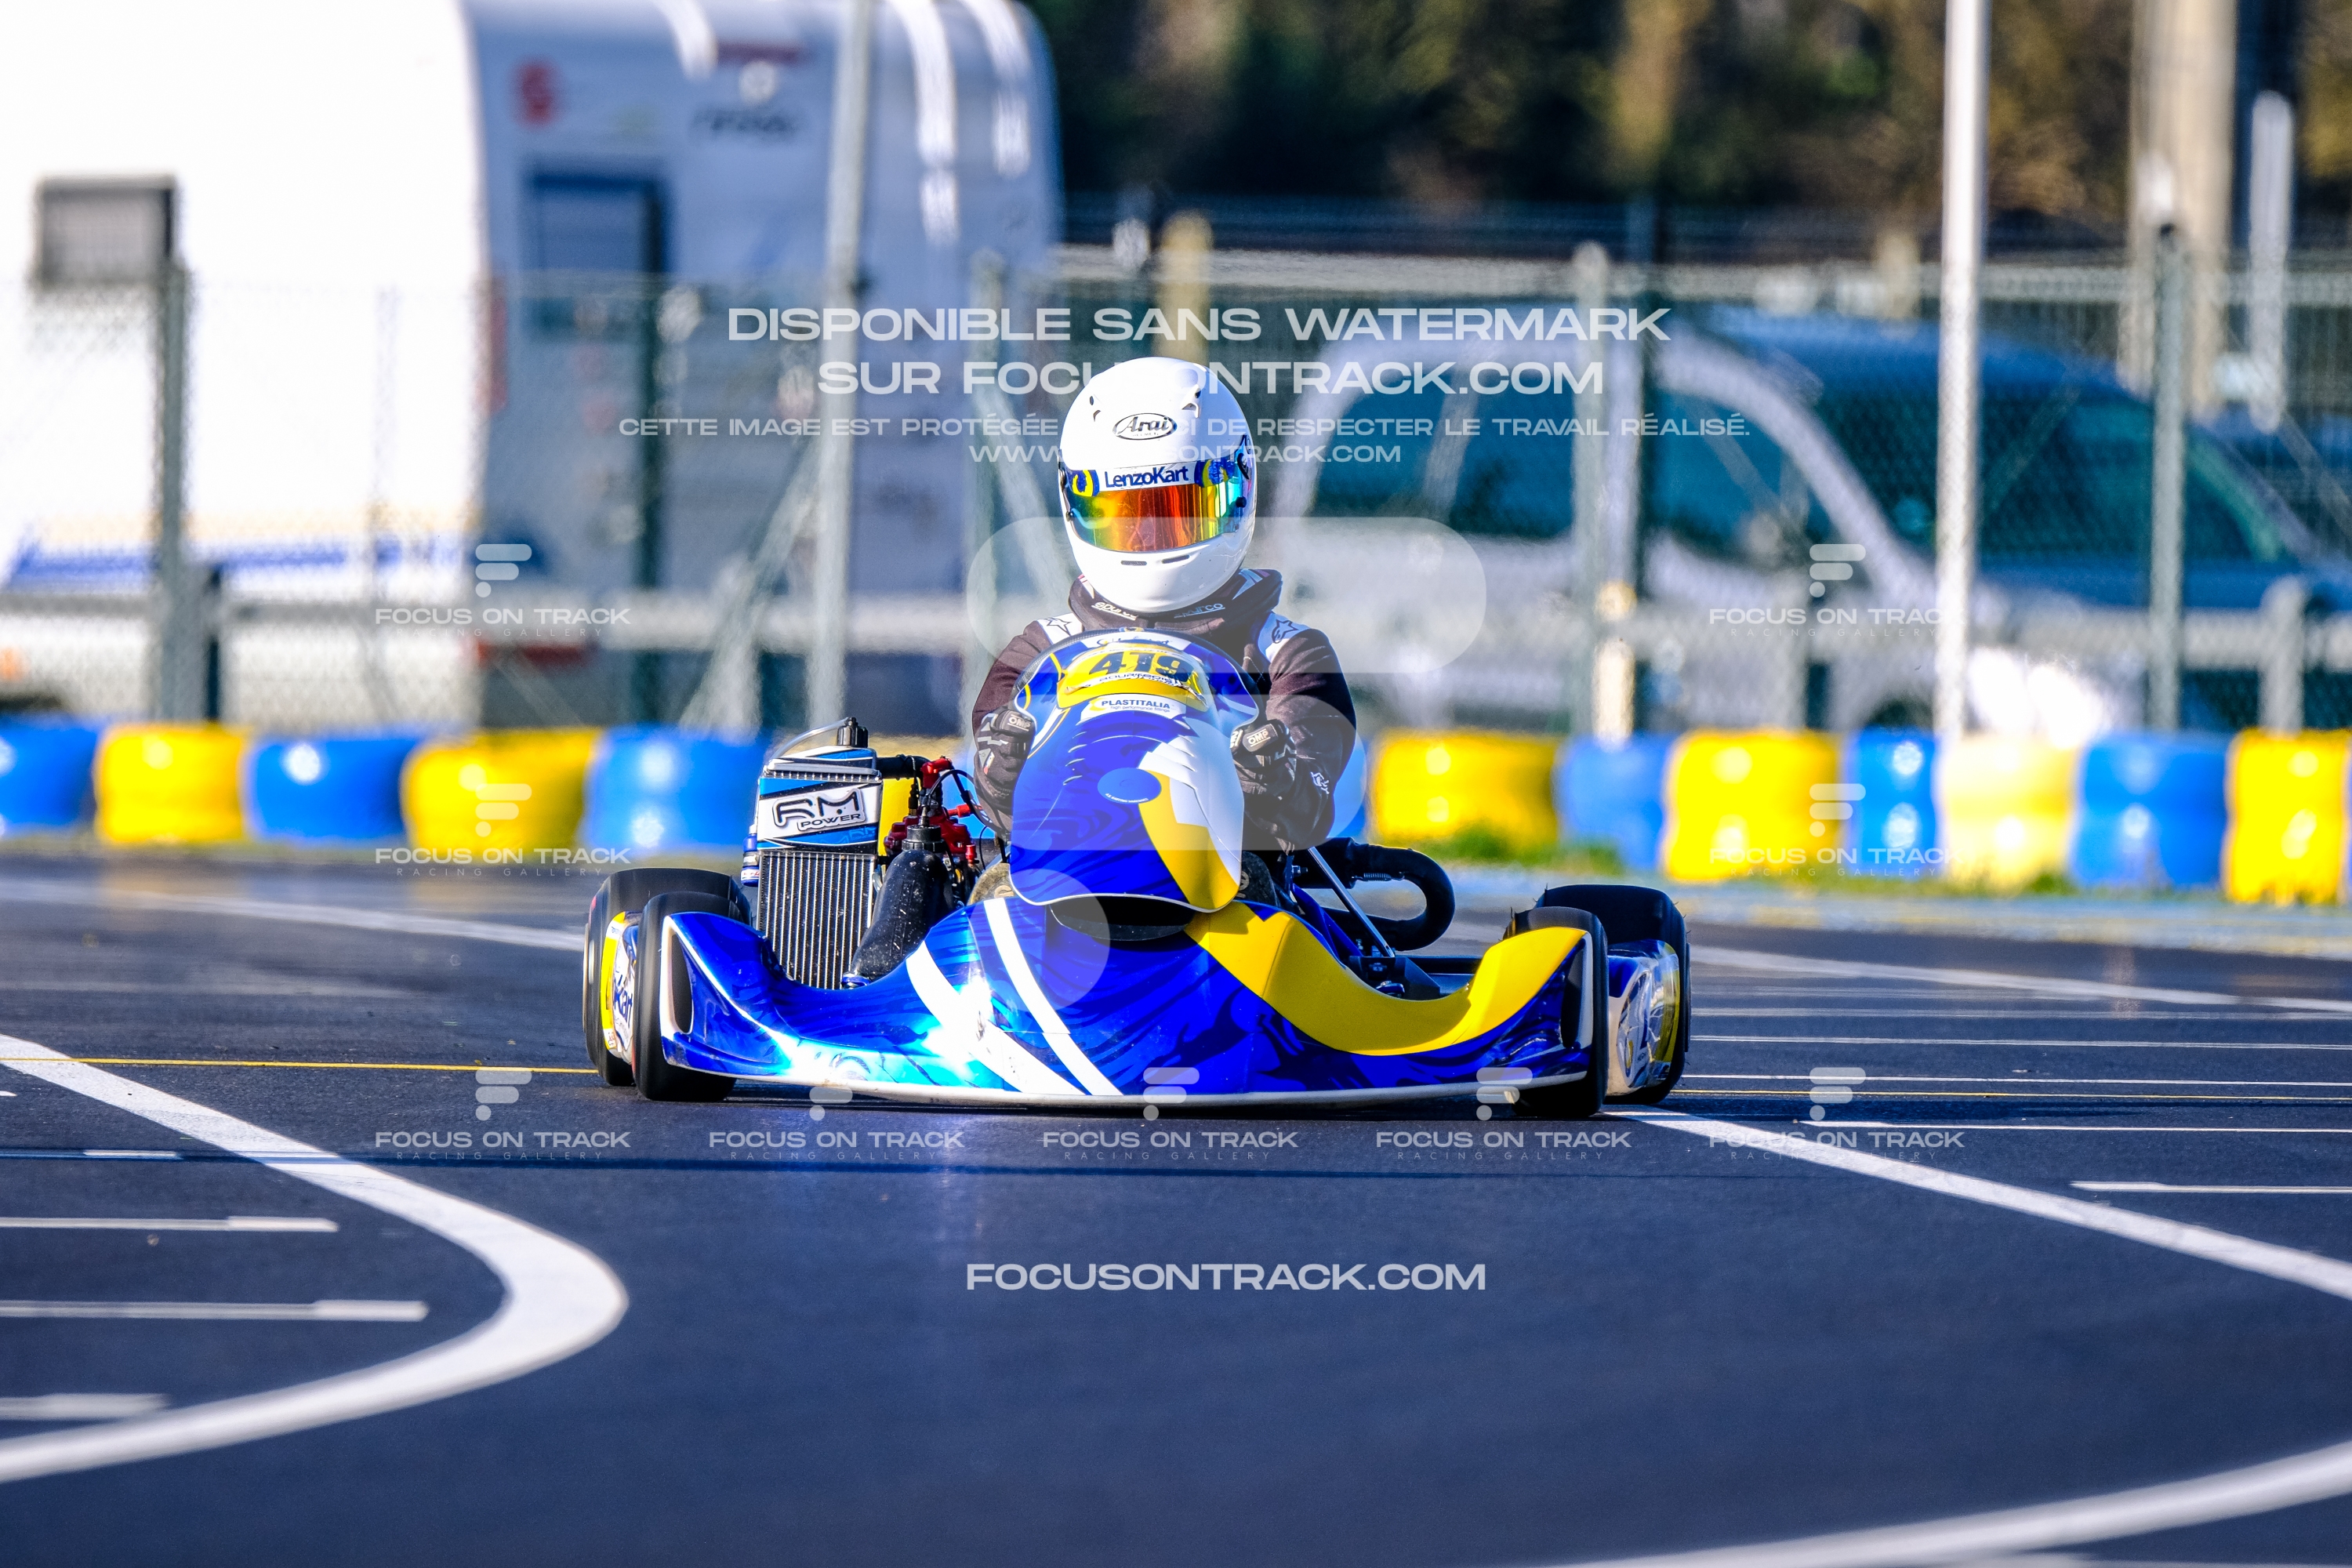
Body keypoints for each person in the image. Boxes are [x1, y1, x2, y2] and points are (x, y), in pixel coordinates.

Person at [968, 355, 1356, 858]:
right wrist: (1001, 774)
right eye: (1127, 517)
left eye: (1180, 510)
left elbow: (1307, 810)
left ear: (1238, 490)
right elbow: (995, 801)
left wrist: (1271, 772)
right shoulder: (1041, 650)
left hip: (1232, 886)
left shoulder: (1290, 655)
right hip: (1058, 880)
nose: (1152, 538)